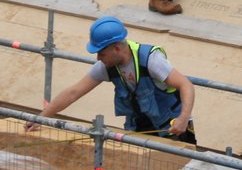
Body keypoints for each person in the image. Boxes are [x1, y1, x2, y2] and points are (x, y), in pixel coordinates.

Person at [31, 16, 197, 143]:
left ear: (117, 48)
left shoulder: (151, 59)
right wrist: (41, 118)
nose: (98, 58)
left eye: (101, 53)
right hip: (141, 129)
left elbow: (186, 85)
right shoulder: (107, 65)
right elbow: (73, 93)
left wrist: (183, 118)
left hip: (173, 129)